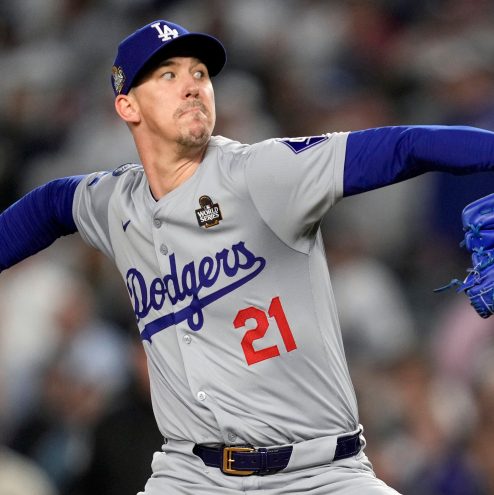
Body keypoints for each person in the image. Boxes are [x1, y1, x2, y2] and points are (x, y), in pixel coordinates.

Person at [2, 19, 494, 494]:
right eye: (169, 75)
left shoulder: (261, 173)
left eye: (200, 73)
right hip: (190, 476)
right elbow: (50, 205)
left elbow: (403, 147)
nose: (193, 86)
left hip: (319, 473)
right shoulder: (116, 203)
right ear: (128, 106)